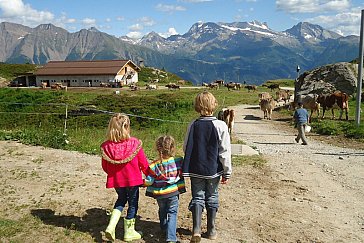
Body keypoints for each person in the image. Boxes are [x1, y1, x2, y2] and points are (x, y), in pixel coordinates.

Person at [182, 91, 232, 242]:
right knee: (212, 196)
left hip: (195, 168)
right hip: (213, 169)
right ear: (214, 105)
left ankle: (196, 229)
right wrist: (227, 170)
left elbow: (186, 146)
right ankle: (211, 230)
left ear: (197, 106)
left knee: (197, 196)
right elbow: (225, 151)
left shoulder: (193, 124)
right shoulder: (221, 125)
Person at [101, 113, 150, 242]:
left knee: (121, 200)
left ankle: (111, 226)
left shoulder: (106, 147)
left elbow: (105, 167)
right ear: (127, 127)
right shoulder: (134, 144)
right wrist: (151, 175)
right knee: (133, 203)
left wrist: (113, 174)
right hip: (133, 180)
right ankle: (129, 232)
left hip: (117, 181)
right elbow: (143, 164)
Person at [144, 135, 186, 243]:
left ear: (158, 149)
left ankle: (164, 228)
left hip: (160, 194)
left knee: (162, 210)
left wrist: (143, 183)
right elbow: (183, 172)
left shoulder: (154, 165)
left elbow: (149, 181)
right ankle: (171, 238)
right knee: (172, 213)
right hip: (173, 192)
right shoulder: (178, 161)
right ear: (173, 148)